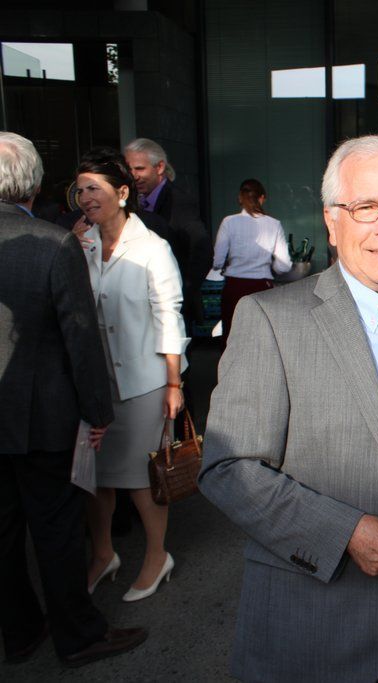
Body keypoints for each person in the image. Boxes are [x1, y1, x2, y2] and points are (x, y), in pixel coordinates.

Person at [199, 134, 378, 682]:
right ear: (332, 222)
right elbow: (228, 467)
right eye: (367, 208)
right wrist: (347, 532)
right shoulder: (272, 320)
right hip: (324, 620)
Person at [0, 131, 147, 667]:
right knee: (57, 530)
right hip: (43, 416)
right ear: (36, 184)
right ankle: (79, 636)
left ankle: (19, 632)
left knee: (3, 532)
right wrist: (98, 411)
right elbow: (79, 337)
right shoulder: (53, 243)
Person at [74, 149, 189, 603]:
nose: (85, 197)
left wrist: (174, 383)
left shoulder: (152, 247)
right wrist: (70, 248)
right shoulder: (79, 243)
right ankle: (104, 554)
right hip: (93, 382)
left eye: (94, 188)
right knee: (95, 477)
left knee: (143, 478)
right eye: (80, 189)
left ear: (122, 193)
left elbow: (169, 314)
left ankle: (158, 555)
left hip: (145, 381)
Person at [124, 138, 213, 332]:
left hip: (171, 309)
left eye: (140, 169)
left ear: (160, 167)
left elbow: (202, 250)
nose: (134, 176)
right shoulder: (132, 201)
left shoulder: (179, 202)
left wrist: (178, 294)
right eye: (129, 169)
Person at [212, 178, 292, 340]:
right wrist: (271, 266)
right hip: (262, 286)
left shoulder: (229, 222)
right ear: (262, 198)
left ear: (240, 198)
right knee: (261, 337)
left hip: (234, 285)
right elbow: (284, 266)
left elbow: (218, 261)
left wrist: (226, 264)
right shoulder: (274, 224)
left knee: (232, 337)